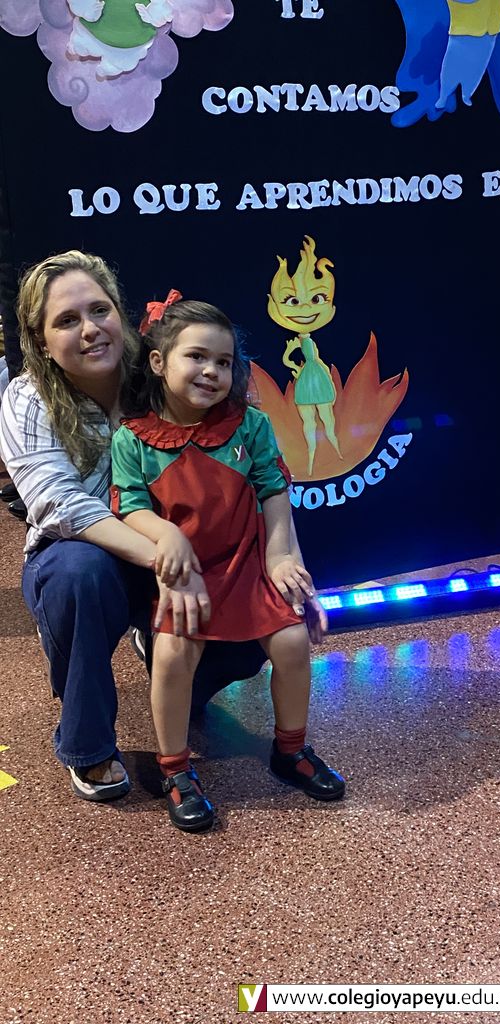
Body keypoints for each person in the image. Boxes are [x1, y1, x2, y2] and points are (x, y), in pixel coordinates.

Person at [0, 251, 330, 807]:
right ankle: (88, 742)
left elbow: (259, 472)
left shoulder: (166, 366)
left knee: (241, 638)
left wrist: (279, 557)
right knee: (79, 576)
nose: (90, 330)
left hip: (191, 548)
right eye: (67, 320)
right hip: (93, 550)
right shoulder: (28, 398)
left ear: (119, 313)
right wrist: (167, 556)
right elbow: (59, 504)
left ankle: (173, 670)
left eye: (99, 310)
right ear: (41, 339)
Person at [111, 293, 344, 831]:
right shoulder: (133, 438)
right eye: (196, 356)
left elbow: (274, 490)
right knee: (173, 654)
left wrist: (281, 557)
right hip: (185, 575)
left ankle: (291, 750)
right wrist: (166, 534)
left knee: (291, 642)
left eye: (223, 361)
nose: (212, 371)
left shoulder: (250, 426)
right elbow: (130, 506)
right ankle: (175, 769)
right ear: (158, 362)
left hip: (247, 565)